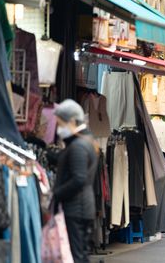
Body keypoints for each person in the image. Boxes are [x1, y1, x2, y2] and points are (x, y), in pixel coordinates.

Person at [52, 99, 97, 263]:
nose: (58, 129)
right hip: (82, 207)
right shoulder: (84, 141)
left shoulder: (78, 146)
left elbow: (78, 179)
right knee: (80, 254)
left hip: (76, 209)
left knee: (77, 256)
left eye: (60, 123)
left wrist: (56, 194)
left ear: (71, 121)